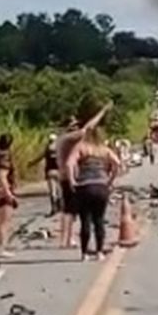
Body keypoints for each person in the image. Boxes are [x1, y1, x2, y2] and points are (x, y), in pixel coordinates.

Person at [55, 103, 112, 249]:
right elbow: (88, 128)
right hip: (69, 178)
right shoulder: (67, 139)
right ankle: (65, 240)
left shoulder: (62, 140)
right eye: (73, 125)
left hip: (65, 176)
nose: (76, 128)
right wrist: (103, 112)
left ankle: (67, 238)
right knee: (70, 210)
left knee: (70, 210)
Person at [67, 127, 121, 261]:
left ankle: (84, 253)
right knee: (99, 220)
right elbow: (117, 164)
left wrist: (72, 181)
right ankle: (99, 252)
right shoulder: (104, 150)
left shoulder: (81, 147)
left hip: (84, 186)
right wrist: (110, 181)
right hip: (101, 186)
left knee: (85, 220)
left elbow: (69, 164)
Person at [0, 133, 18, 256]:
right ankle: (2, 248)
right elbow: (3, 176)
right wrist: (9, 194)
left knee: (1, 220)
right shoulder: (5, 157)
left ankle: (0, 247)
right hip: (3, 190)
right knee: (5, 221)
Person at [29, 133, 61, 216]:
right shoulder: (60, 150)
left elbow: (39, 158)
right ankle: (60, 206)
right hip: (59, 171)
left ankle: (53, 208)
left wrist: (31, 163)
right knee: (59, 190)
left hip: (50, 172)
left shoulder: (47, 150)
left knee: (52, 191)